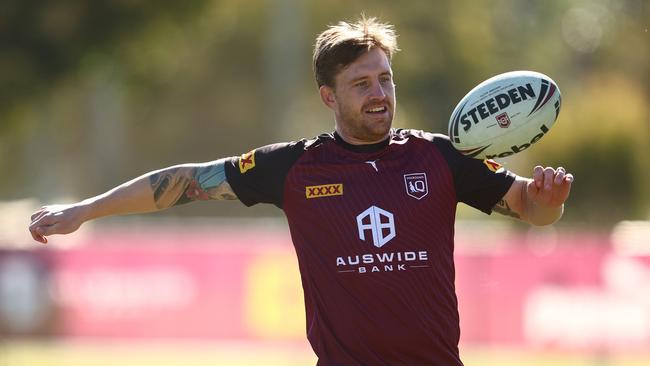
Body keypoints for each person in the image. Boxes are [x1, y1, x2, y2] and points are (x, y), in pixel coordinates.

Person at [29, 16, 573, 366]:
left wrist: (547, 201)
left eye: (385, 79)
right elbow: (184, 182)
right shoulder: (295, 167)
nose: (379, 94)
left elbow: (529, 208)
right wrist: (83, 211)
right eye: (361, 84)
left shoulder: (439, 155)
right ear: (327, 97)